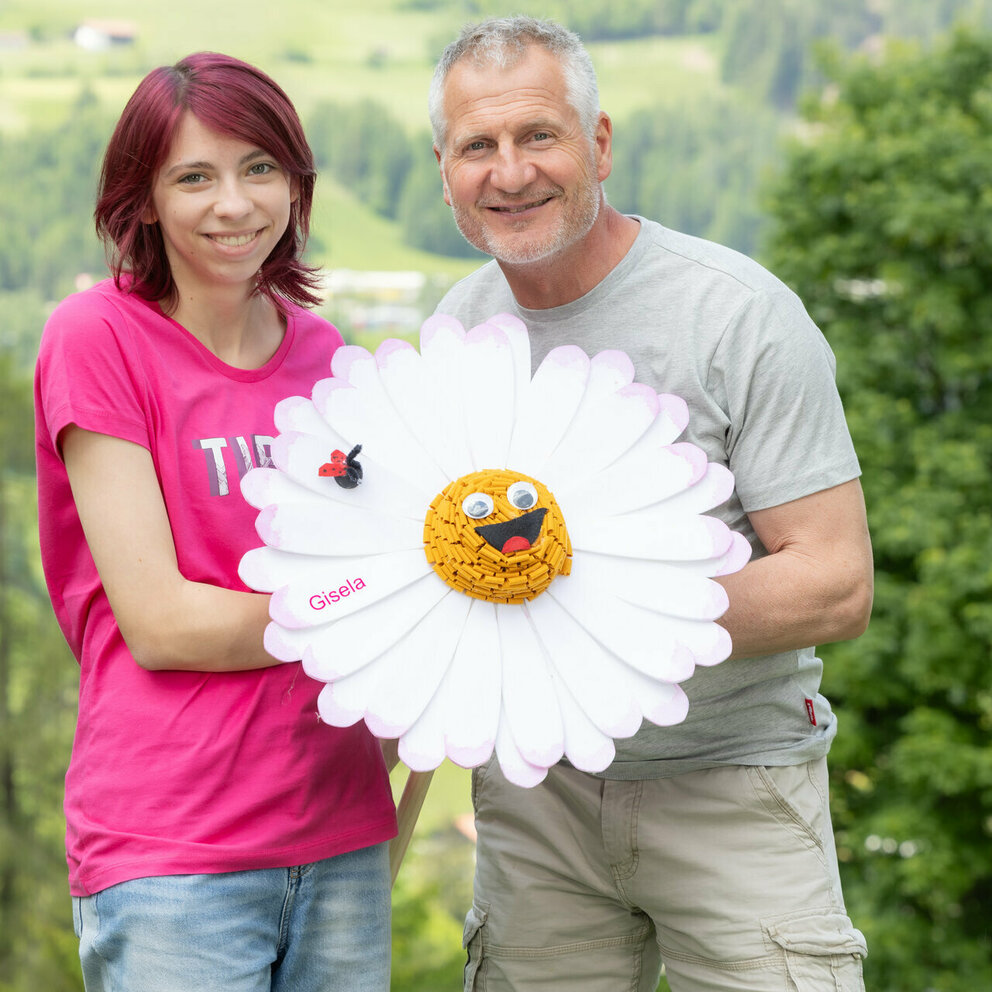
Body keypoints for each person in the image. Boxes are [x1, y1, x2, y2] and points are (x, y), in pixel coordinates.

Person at [429, 17, 873, 992]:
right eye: (478, 147)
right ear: (445, 168)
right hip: (533, 797)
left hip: (731, 777)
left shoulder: (736, 315)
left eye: (538, 135)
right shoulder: (453, 331)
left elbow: (832, 583)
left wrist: (595, 612)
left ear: (597, 144)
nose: (509, 172)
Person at [34, 53, 396, 992]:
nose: (234, 203)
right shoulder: (97, 336)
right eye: (194, 176)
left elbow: (376, 570)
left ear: (295, 182)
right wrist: (372, 604)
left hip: (341, 833)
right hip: (173, 845)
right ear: (144, 199)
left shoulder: (325, 356)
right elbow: (164, 624)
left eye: (260, 168)